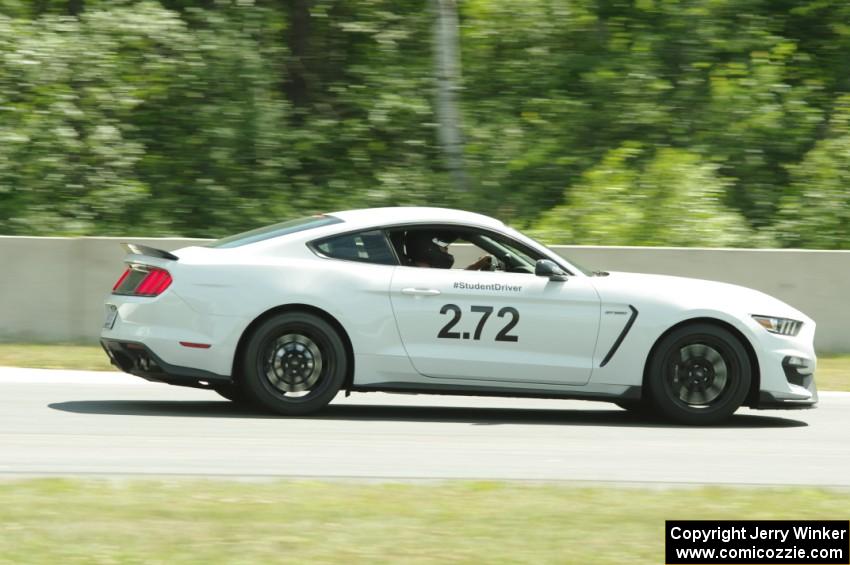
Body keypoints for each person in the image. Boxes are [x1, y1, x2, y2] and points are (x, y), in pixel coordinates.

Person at [406, 231, 494, 270]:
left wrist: (476, 266)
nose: (447, 249)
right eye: (444, 246)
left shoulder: (421, 269)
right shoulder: (423, 272)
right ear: (428, 249)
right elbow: (458, 284)